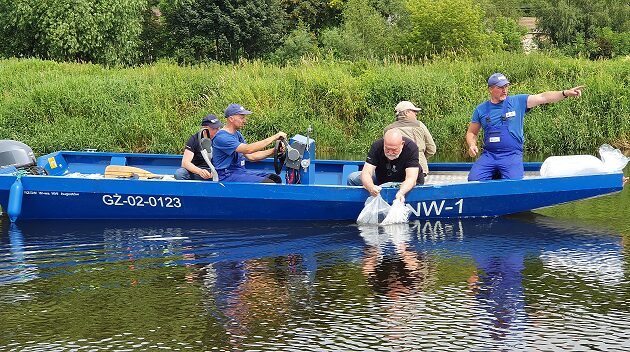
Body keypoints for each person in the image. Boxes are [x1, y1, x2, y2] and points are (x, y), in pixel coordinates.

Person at [466, 72, 583, 181]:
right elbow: (472, 133)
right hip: (489, 155)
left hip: (511, 155)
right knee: (473, 181)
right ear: (491, 89)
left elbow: (543, 97)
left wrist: (564, 93)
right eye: (500, 87)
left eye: (506, 86)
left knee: (513, 184)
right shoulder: (481, 109)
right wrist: (472, 145)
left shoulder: (518, 101)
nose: (504, 90)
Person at [212, 103, 287, 183]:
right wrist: (275, 137)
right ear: (231, 119)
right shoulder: (222, 137)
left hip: (239, 172)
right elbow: (248, 149)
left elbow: (251, 156)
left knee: (275, 179)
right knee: (268, 184)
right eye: (242, 118)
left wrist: (274, 151)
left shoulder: (237, 134)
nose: (244, 121)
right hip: (226, 176)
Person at [347, 128, 423, 204]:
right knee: (352, 178)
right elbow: (366, 172)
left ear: (402, 144)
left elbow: (411, 179)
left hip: (403, 181)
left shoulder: (411, 148)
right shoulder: (377, 146)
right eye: (387, 149)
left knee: (384, 187)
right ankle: (357, 203)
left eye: (394, 150)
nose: (390, 152)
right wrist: (370, 187)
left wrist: (401, 193)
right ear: (384, 143)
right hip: (383, 177)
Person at [384, 101, 436, 176]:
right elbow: (432, 149)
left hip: (397, 170)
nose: (416, 113)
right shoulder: (420, 126)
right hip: (419, 169)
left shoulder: (388, 129)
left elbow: (385, 152)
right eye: (414, 111)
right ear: (406, 113)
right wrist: (420, 156)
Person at [174, 114, 223, 180]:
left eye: (218, 127)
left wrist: (216, 170)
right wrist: (199, 171)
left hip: (216, 170)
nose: (218, 130)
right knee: (180, 173)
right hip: (197, 170)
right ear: (204, 128)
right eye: (214, 128)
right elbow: (185, 163)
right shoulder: (194, 139)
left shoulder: (222, 138)